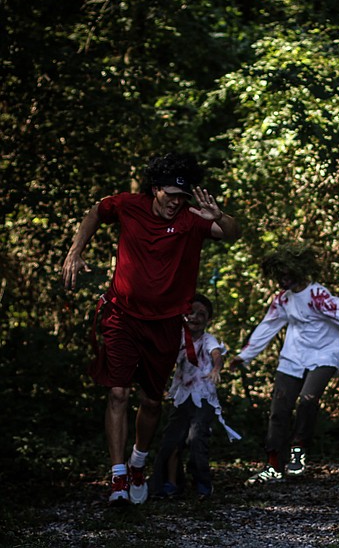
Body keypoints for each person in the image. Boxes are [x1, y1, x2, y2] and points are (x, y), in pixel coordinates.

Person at [62, 152, 241, 506]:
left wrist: (219, 216)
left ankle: (139, 461)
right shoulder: (129, 206)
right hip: (122, 316)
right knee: (117, 393)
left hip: (164, 324)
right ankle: (117, 478)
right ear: (155, 189)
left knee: (151, 400)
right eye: (172, 194)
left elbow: (232, 234)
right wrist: (75, 251)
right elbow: (98, 210)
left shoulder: (192, 219)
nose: (177, 202)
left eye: (183, 197)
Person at [230, 243, 339, 482]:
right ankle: (272, 466)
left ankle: (298, 451)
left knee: (308, 400)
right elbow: (267, 326)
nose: (281, 282)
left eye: (285, 276)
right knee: (279, 410)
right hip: (293, 356)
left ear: (298, 272)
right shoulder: (283, 300)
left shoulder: (319, 297)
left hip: (324, 354)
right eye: (278, 277)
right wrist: (244, 356)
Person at [149, 293, 241, 500]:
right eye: (191, 312)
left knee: (197, 437)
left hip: (204, 399)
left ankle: (203, 484)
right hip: (182, 397)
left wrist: (217, 369)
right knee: (172, 440)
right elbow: (165, 359)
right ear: (183, 315)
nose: (195, 317)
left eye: (202, 314)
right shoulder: (178, 338)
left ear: (209, 320)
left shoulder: (208, 339)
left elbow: (217, 354)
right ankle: (171, 483)